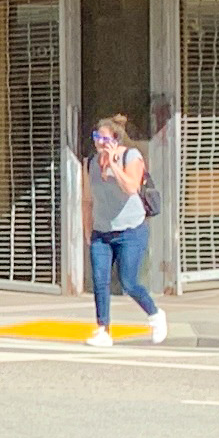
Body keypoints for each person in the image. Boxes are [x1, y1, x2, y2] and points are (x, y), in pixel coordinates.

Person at [84, 116, 165, 346]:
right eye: (96, 137)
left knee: (128, 282)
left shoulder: (131, 157)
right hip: (102, 231)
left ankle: (155, 314)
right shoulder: (90, 162)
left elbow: (131, 187)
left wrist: (112, 166)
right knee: (99, 279)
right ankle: (103, 329)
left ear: (116, 139)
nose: (99, 143)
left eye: (104, 138)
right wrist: (88, 229)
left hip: (131, 231)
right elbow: (87, 199)